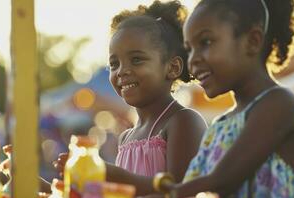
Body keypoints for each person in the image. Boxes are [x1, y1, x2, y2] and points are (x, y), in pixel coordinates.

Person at [132, 0, 294, 198]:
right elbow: (191, 184)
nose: (193, 60)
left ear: (252, 41)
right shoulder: (219, 126)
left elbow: (224, 179)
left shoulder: (279, 103)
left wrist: (168, 194)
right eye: (189, 49)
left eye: (205, 42)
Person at [54, 0, 207, 185]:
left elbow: (180, 191)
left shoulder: (183, 121)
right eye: (114, 64)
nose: (121, 71)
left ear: (172, 67)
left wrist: (106, 172)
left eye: (136, 60)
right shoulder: (127, 137)